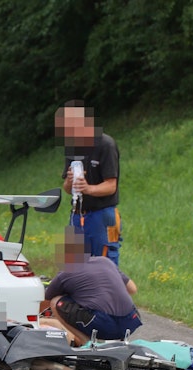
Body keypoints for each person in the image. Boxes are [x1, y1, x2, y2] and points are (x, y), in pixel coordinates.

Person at [43, 226, 141, 346]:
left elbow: (44, 302)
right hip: (130, 322)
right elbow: (132, 289)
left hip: (104, 325)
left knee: (55, 302)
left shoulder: (65, 273)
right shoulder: (105, 262)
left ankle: (86, 344)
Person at [55, 100, 122, 265]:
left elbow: (111, 186)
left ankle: (111, 291)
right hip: (78, 214)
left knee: (104, 264)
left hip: (103, 215)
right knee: (74, 265)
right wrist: (70, 182)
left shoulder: (106, 145)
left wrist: (88, 188)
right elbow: (66, 188)